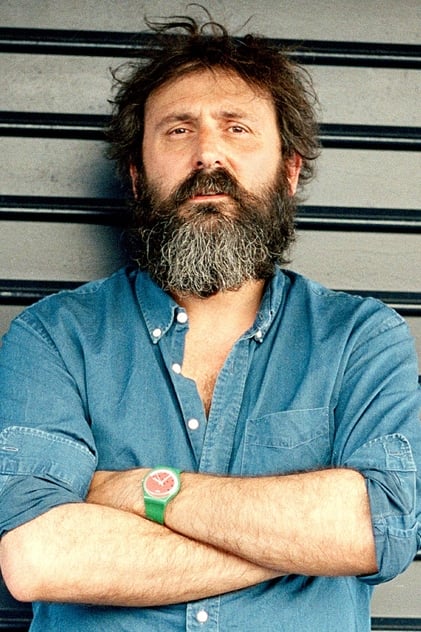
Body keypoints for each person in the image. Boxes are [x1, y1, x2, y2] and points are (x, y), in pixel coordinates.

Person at [0, 14, 420, 632]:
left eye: (237, 128)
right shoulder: (54, 337)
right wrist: (302, 541)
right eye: (178, 129)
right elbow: (40, 556)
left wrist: (142, 490)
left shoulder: (361, 338)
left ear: (289, 171)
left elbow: (377, 529)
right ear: (137, 175)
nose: (208, 154)